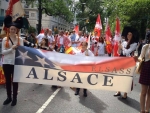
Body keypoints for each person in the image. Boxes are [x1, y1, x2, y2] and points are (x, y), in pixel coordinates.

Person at [2, 15, 24, 106]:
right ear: (8, 29)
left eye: (14, 29)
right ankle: (8, 97)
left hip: (16, 63)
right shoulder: (4, 39)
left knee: (15, 81)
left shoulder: (20, 40)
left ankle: (14, 98)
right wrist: (12, 49)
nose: (13, 30)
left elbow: (23, 52)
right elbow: (3, 52)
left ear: (17, 30)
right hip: (7, 63)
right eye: (11, 29)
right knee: (8, 81)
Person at [114, 27, 138, 99]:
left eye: (130, 34)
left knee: (127, 77)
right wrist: (119, 47)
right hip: (121, 60)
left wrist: (122, 48)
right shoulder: (124, 42)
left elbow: (127, 52)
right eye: (128, 34)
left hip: (128, 62)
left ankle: (125, 92)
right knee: (119, 76)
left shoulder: (134, 44)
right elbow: (119, 52)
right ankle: (118, 91)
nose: (128, 36)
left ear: (132, 36)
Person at [138, 32, 150, 113]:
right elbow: (140, 57)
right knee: (143, 91)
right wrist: (138, 59)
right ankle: (142, 110)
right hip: (146, 68)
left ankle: (147, 110)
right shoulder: (146, 47)